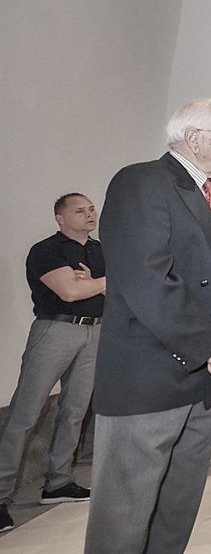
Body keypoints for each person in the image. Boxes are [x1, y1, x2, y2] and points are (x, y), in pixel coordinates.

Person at [84, 98, 211, 554]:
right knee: (124, 518)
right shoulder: (141, 182)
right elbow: (148, 278)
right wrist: (209, 346)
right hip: (151, 376)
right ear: (194, 138)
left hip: (205, 380)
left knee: (176, 512)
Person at [0, 194, 105, 533]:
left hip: (95, 331)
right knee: (25, 413)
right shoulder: (46, 250)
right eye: (80, 210)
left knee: (75, 410)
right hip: (55, 330)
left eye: (91, 209)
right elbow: (70, 293)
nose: (89, 214)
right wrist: (102, 283)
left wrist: (95, 283)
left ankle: (58, 482)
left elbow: (123, 289)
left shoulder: (100, 250)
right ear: (60, 218)